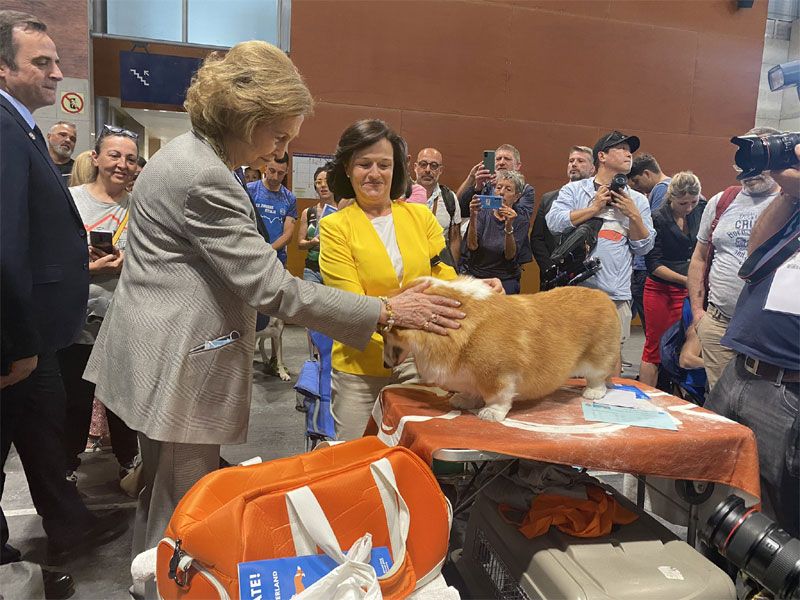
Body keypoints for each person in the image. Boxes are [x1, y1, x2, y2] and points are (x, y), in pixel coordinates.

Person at [80, 43, 464, 595]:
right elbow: (269, 286)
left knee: (161, 491)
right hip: (182, 365)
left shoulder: (187, 156)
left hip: (154, 353)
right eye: (279, 136)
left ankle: (154, 580)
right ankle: (167, 587)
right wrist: (386, 310)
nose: (282, 150)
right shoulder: (204, 178)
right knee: (181, 509)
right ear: (246, 120)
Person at [0, 9, 126, 587]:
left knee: (45, 431)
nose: (58, 73)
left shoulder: (21, 126)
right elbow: (4, 245)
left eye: (57, 60)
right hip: (19, 337)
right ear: (4, 68)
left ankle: (69, 524)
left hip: (40, 332)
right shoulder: (4, 128)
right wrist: (15, 344)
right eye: (42, 63)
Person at [319, 119, 501, 441]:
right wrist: (406, 309)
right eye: (364, 164)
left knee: (418, 455)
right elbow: (350, 303)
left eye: (384, 165)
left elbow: (444, 276)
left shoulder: (421, 217)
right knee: (359, 458)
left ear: (396, 170)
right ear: (348, 169)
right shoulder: (335, 228)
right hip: (359, 369)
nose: (375, 173)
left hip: (422, 364)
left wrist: (476, 289)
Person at [705, 144, 800, 537]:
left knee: (781, 516)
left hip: (790, 388)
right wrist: (788, 192)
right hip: (741, 369)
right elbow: (756, 249)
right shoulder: (792, 207)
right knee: (713, 490)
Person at [57, 125, 141, 487]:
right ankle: (65, 467)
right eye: (114, 155)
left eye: (130, 159)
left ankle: (130, 465)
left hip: (124, 318)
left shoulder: (141, 206)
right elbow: (49, 257)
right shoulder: (70, 199)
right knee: (75, 401)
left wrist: (129, 262)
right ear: (95, 158)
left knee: (122, 402)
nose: (122, 164)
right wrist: (86, 267)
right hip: (76, 320)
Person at [687, 127, 782, 390]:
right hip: (718, 325)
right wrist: (698, 313)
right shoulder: (722, 201)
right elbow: (698, 258)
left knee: (760, 405)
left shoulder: (790, 203)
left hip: (766, 334)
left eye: (759, 160)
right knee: (720, 403)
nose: (751, 172)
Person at [546, 131, 655, 354]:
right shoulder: (575, 190)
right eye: (622, 148)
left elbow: (644, 247)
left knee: (609, 358)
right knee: (569, 358)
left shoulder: (638, 200)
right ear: (602, 156)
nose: (628, 154)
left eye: (629, 150)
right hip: (576, 291)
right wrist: (593, 209)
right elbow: (554, 222)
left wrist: (634, 216)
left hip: (615, 296)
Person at [639, 172, 703, 387]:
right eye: (683, 203)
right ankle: (648, 396)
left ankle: (677, 394)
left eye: (693, 202)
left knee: (685, 346)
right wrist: (687, 280)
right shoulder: (657, 217)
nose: (688, 208)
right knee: (654, 348)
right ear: (671, 198)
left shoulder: (700, 212)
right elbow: (653, 264)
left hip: (689, 291)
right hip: (661, 291)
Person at [456, 144, 535, 264]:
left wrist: (500, 193)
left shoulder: (525, 189)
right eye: (498, 159)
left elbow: (521, 216)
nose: (501, 162)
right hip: (476, 251)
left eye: (507, 159)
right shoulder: (484, 184)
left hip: (507, 252)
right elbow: (460, 209)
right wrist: (475, 184)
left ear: (518, 166)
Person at [531, 145, 595, 288]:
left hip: (585, 275)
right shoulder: (549, 198)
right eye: (571, 160)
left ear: (592, 169)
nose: (574, 164)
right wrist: (550, 268)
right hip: (551, 276)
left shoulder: (597, 200)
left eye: (580, 161)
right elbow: (537, 238)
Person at [463, 170, 531, 294]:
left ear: (517, 197)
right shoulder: (482, 213)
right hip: (478, 274)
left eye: (508, 189)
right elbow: (472, 246)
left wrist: (509, 226)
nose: (501, 192)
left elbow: (509, 255)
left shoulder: (521, 221)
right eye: (499, 187)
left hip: (506, 277)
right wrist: (473, 216)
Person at [628, 153, 672, 332]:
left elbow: (651, 231)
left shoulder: (662, 189)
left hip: (648, 267)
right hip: (662, 266)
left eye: (637, 182)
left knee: (653, 329)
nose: (638, 189)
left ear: (647, 174)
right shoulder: (673, 187)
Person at [413, 147, 462, 266]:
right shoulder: (402, 196)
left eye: (434, 166)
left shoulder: (449, 198)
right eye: (423, 164)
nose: (428, 170)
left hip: (439, 267)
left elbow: (455, 238)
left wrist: (452, 270)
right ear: (415, 167)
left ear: (440, 170)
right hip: (408, 265)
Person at [247, 153, 298, 266]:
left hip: (276, 259)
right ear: (265, 167)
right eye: (272, 171)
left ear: (286, 172)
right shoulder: (250, 190)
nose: (275, 177)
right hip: (250, 254)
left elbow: (288, 235)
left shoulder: (290, 198)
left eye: (280, 173)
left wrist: (268, 251)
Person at [297, 163, 336, 283]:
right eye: (319, 182)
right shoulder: (308, 212)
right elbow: (300, 243)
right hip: (312, 270)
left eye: (327, 181)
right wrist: (312, 242)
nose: (323, 186)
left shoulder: (343, 211)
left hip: (335, 269)